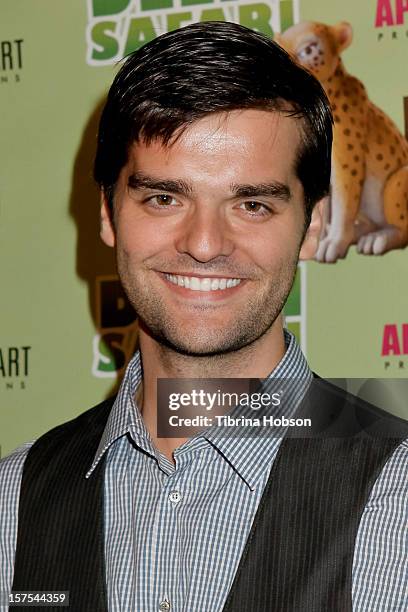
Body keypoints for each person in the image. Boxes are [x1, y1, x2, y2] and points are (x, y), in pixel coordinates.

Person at [0, 20, 407, 612]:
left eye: (252, 203)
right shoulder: (12, 501)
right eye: (165, 197)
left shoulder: (398, 497)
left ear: (313, 225)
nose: (206, 243)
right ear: (110, 214)